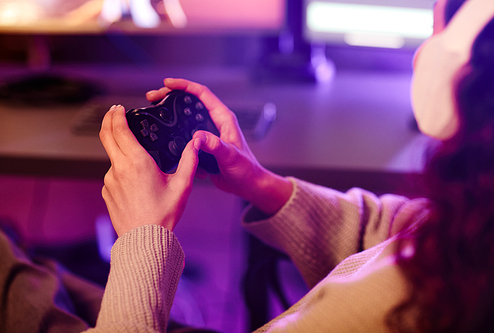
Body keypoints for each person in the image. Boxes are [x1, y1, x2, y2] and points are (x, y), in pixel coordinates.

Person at [95, 0, 494, 331]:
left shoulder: (392, 311)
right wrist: (261, 184)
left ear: (459, 74)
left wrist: (142, 235)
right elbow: (402, 232)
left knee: (40, 285)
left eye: (437, 30)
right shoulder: (472, 231)